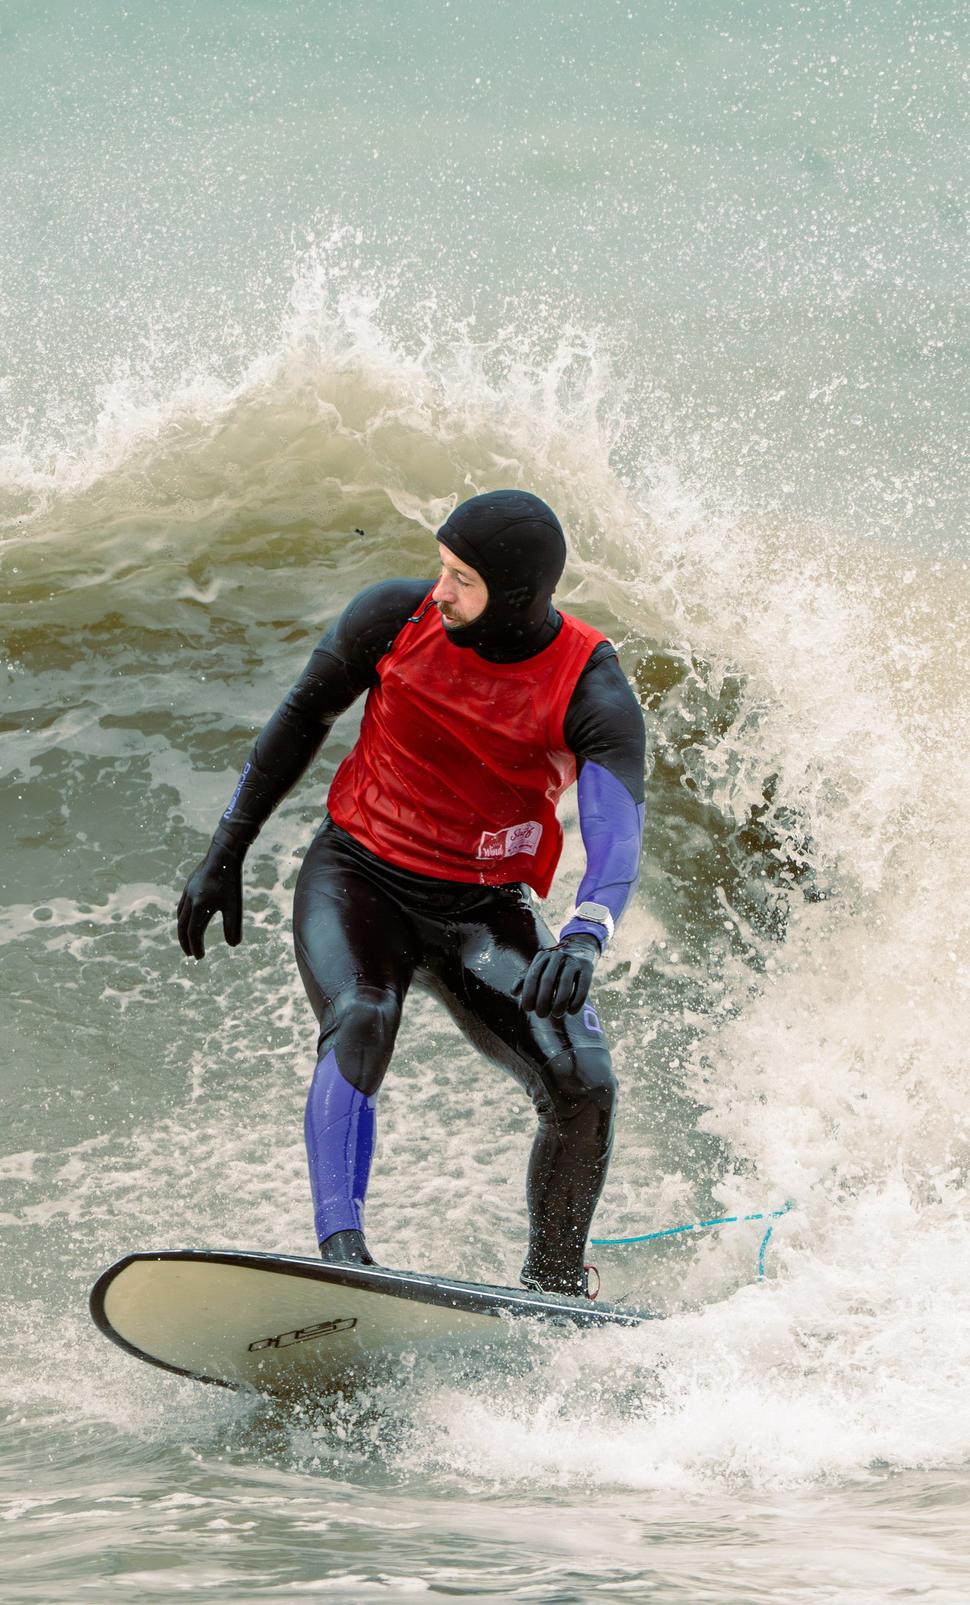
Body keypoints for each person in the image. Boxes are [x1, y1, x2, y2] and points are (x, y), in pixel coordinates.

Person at [174, 489, 647, 1297]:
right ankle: (344, 1260)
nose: (441, 591)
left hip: (483, 912)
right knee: (361, 1015)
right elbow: (303, 714)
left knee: (584, 1083)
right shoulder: (395, 616)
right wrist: (227, 848)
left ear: (517, 596)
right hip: (358, 878)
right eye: (442, 568)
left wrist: (584, 933)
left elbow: (616, 827)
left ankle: (554, 1288)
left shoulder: (588, 687)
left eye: (463, 578)